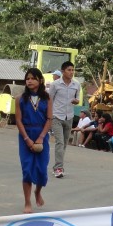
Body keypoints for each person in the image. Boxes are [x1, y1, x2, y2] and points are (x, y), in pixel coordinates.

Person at [14, 68, 52, 214]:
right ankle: (27, 202)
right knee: (27, 169)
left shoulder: (47, 98)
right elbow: (18, 120)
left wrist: (41, 137)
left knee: (42, 169)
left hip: (42, 134)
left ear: (40, 80)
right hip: (26, 134)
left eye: (33, 78)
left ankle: (38, 191)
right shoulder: (20, 98)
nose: (29, 81)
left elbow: (49, 119)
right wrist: (27, 139)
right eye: (27, 78)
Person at [47, 61, 79, 178]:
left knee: (64, 144)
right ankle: (58, 168)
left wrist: (76, 101)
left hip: (69, 117)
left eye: (72, 70)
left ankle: (57, 166)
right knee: (59, 142)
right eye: (69, 70)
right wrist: (49, 116)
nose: (71, 72)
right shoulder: (55, 84)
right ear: (63, 71)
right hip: (56, 116)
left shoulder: (76, 85)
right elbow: (49, 100)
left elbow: (77, 99)